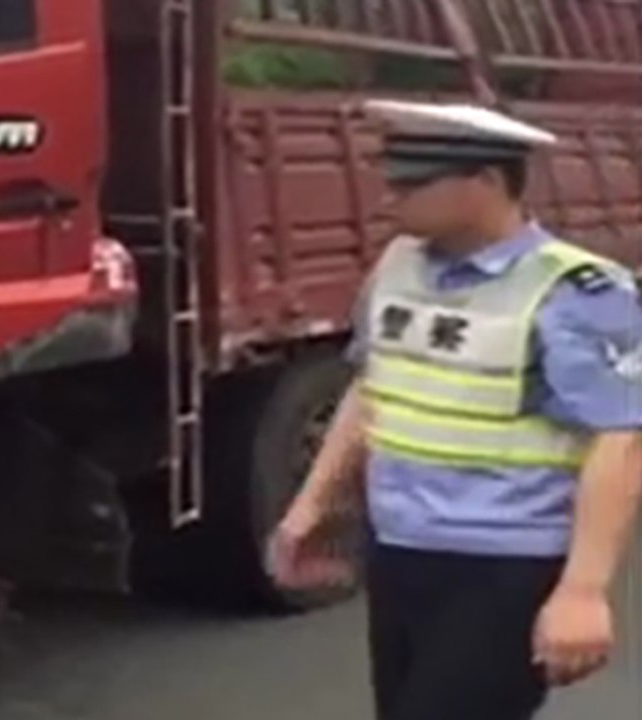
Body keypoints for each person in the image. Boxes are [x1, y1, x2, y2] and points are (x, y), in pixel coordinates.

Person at [267, 99, 642, 720]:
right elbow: (373, 388)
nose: (389, 200)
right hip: (400, 550)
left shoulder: (574, 291)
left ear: (487, 183)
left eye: (411, 185)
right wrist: (310, 507)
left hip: (504, 565)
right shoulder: (398, 266)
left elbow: (623, 438)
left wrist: (583, 590)